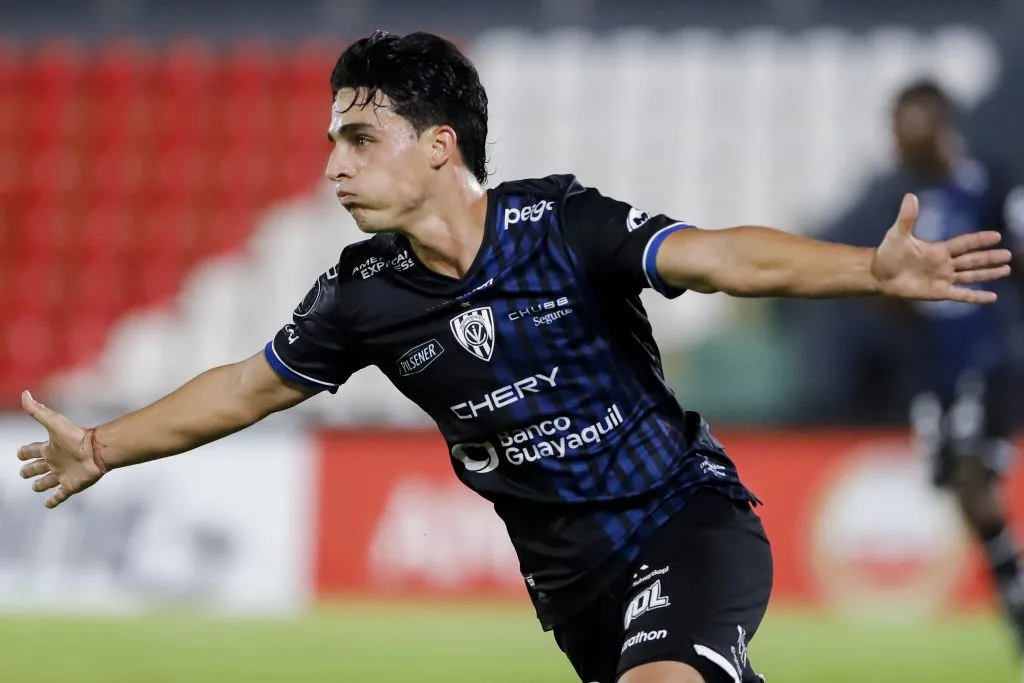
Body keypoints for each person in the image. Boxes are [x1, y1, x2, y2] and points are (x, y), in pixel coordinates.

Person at [15, 33, 1013, 683]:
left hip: (685, 519)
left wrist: (867, 271)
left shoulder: (563, 224)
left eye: (360, 139)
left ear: (439, 146)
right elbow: (245, 385)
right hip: (574, 590)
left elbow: (720, 257)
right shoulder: (362, 295)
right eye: (331, 141)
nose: (332, 165)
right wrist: (103, 444)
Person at [891, 80, 1024, 663]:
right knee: (964, 492)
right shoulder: (907, 202)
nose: (898, 142)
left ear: (937, 125)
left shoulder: (992, 183)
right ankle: (1016, 598)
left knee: (974, 480)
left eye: (907, 128)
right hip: (935, 371)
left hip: (987, 358)